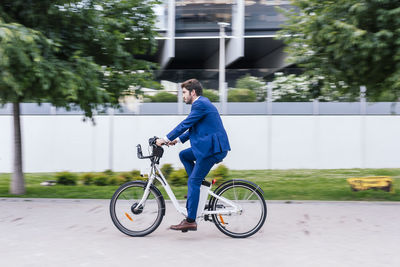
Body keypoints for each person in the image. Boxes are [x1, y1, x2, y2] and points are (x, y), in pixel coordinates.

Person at [156, 78, 231, 232]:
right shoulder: (201, 104)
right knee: (184, 155)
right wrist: (177, 140)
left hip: (212, 149)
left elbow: (186, 123)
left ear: (193, 92)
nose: (182, 96)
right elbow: (194, 126)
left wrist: (165, 139)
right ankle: (197, 187)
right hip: (209, 147)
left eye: (184, 92)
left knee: (193, 182)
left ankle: (191, 220)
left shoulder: (200, 104)